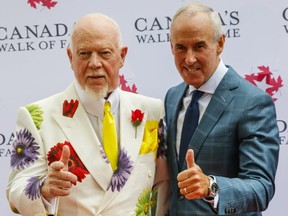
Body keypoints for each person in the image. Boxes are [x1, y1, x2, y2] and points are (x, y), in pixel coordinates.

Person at [6, 13, 169, 216]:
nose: (94, 63)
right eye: (84, 53)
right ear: (70, 57)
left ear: (122, 56)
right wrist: (43, 188)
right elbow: (15, 189)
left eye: (104, 53)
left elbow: (164, 185)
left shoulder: (152, 111)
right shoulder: (37, 116)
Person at [164, 2, 280, 215]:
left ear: (220, 43)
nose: (189, 59)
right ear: (171, 46)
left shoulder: (253, 102)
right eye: (181, 47)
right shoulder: (172, 97)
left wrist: (211, 186)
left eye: (199, 46)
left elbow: (261, 187)